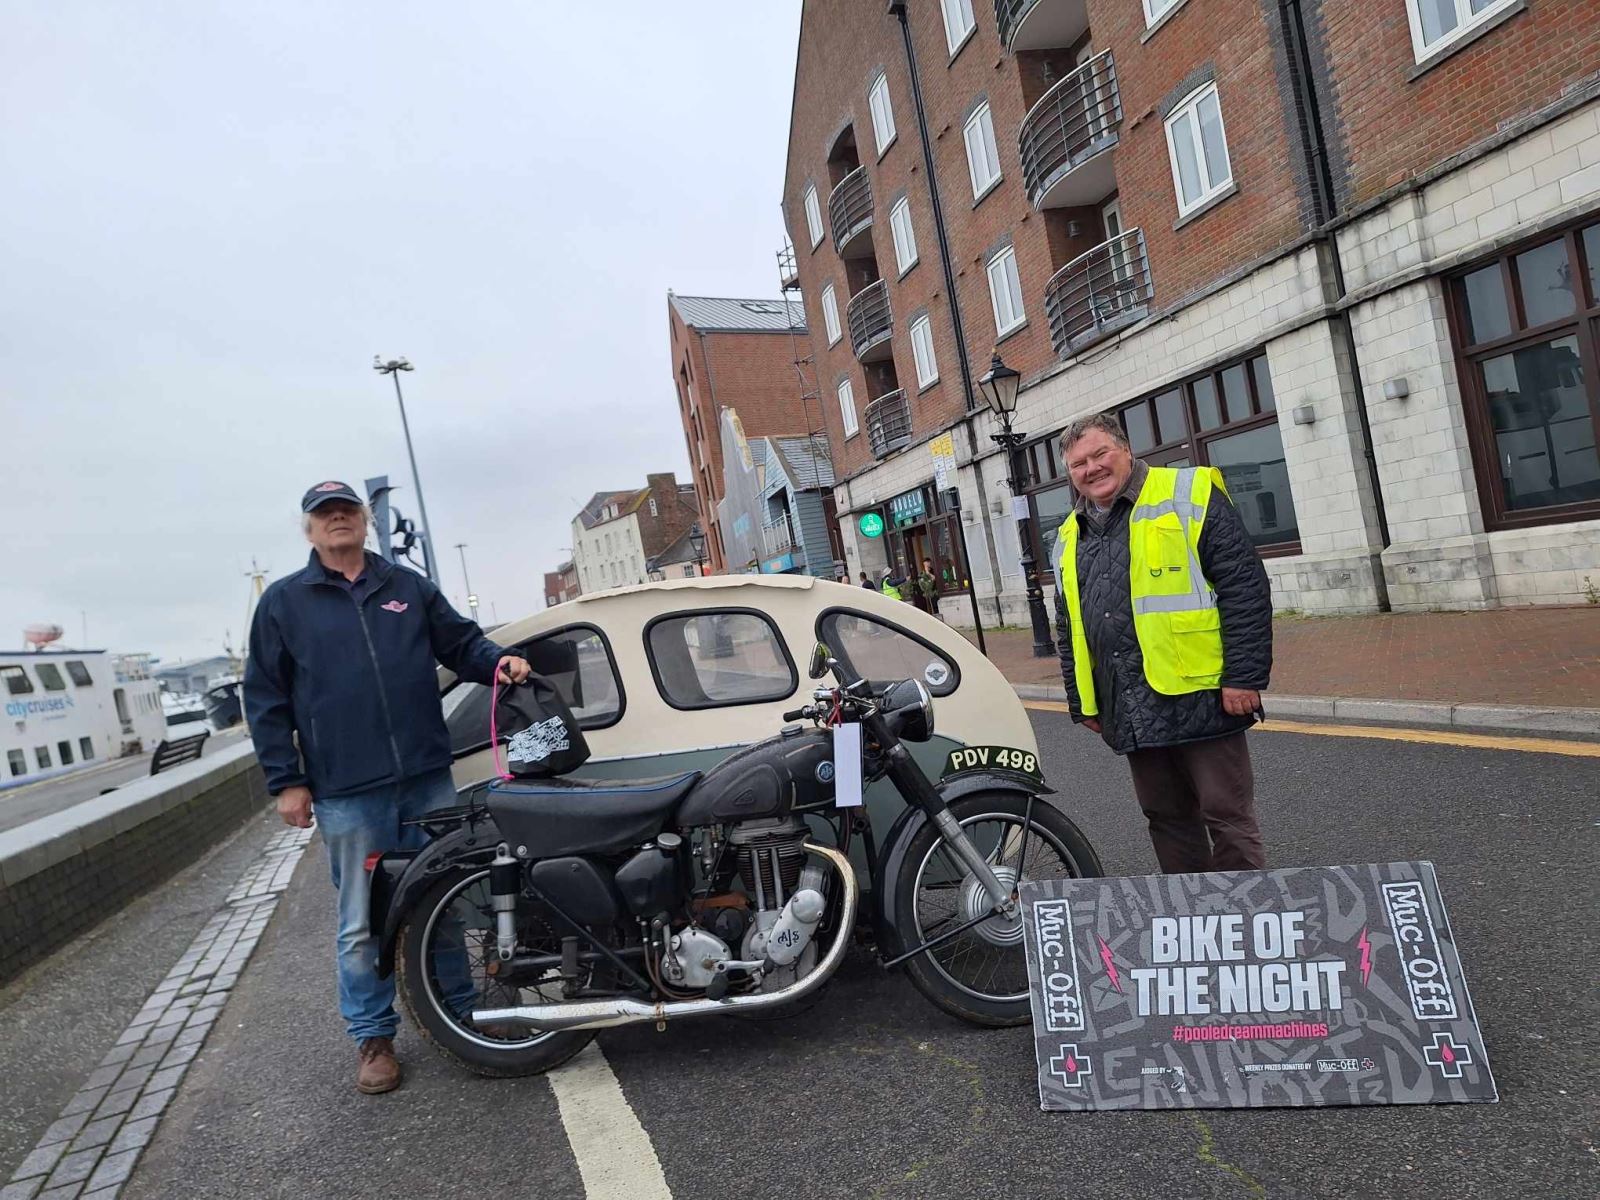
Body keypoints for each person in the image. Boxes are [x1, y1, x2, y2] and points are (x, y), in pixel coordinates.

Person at [243, 481, 531, 1095]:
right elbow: (264, 698)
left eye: (347, 509)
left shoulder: (405, 587)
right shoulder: (283, 603)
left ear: (366, 520)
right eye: (325, 514)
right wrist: (286, 782)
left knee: (443, 898)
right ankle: (373, 1037)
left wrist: (497, 660)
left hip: (426, 777)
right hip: (347, 790)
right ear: (309, 530)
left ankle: (457, 1010)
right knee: (361, 919)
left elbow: (461, 643)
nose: (338, 519)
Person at [1052, 415, 1272, 874]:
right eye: (1078, 464)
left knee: (1226, 815)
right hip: (1129, 699)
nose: (1091, 469)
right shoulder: (1070, 534)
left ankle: (1247, 920)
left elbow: (1243, 586)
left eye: (1099, 455)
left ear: (1126, 450)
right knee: (1166, 818)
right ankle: (1191, 919)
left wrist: (1244, 677)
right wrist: (1083, 702)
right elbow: (1068, 623)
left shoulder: (1188, 492)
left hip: (1203, 692)